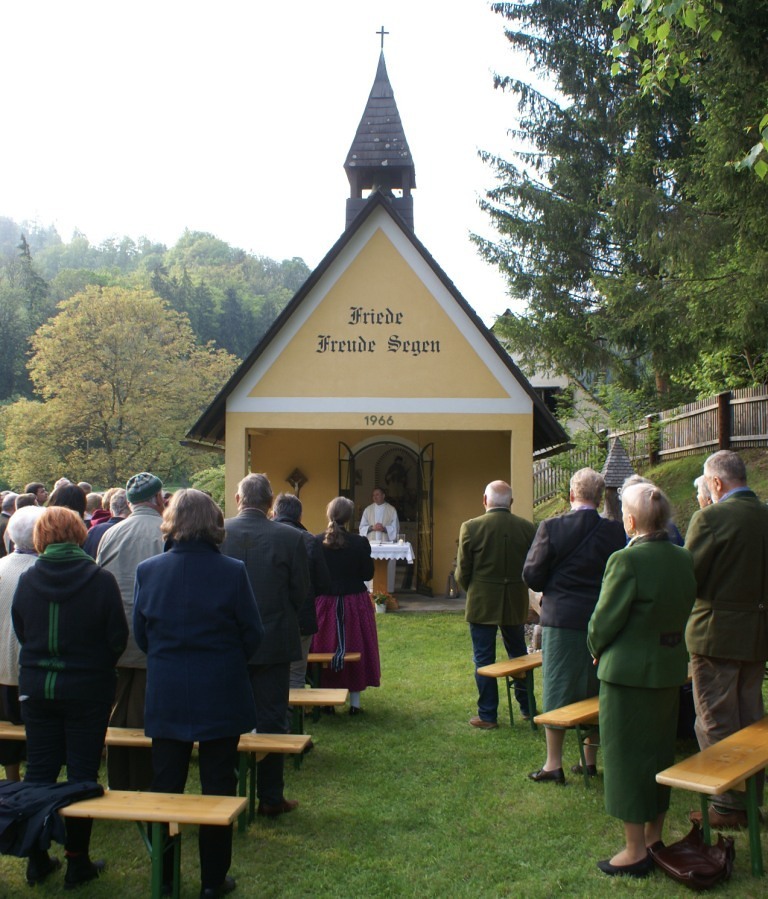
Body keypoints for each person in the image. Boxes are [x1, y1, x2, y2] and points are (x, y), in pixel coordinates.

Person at [134, 489, 263, 898]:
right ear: (214, 523)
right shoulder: (231, 571)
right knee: (218, 784)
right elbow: (252, 633)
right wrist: (225, 660)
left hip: (168, 688)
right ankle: (212, 879)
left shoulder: (149, 571)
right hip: (219, 687)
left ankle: (165, 876)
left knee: (166, 783)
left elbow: (142, 634)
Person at [11, 507, 127, 887]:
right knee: (82, 774)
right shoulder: (100, 580)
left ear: (41, 538)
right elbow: (116, 638)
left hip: (37, 688)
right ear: (79, 534)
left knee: (39, 772)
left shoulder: (28, 580)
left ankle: (36, 858)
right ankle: (77, 861)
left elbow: (23, 630)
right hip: (87, 690)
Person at [587, 482, 696, 878]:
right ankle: (654, 838)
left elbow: (604, 620)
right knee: (658, 753)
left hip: (627, 675)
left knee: (626, 759)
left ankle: (634, 851)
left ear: (630, 521)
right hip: (667, 670)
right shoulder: (683, 558)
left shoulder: (626, 560)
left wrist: (595, 646)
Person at [523, 468, 625, 783]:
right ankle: (589, 760)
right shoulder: (615, 532)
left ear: (571, 495)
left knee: (557, 685)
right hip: (601, 618)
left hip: (562, 618)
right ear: (600, 498)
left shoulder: (551, 527)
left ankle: (553, 763)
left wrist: (551, 584)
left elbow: (532, 575)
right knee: (595, 686)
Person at [685, 449, 768, 829]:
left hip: (715, 634)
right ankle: (750, 799)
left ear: (716, 483)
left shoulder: (711, 518)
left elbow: (689, 578)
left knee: (715, 718)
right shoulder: (764, 515)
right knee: (751, 718)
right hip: (757, 633)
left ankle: (726, 804)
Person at [221, 473, 308, 818]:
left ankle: (225, 791)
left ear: (238, 499)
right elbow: (300, 592)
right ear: (270, 503)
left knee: (227, 717)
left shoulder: (219, 532)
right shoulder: (290, 537)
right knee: (272, 718)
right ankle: (271, 796)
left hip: (229, 641)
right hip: (273, 639)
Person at [96, 471, 164, 791]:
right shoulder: (165, 531)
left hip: (116, 636)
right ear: (159, 498)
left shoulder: (111, 533)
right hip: (152, 637)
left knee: (119, 710)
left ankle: (119, 779)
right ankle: (140, 781)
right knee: (143, 714)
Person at [455, 480, 536, 729]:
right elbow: (533, 566)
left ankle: (488, 715)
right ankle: (528, 707)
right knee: (519, 656)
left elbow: (462, 571)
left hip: (482, 600)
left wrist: (474, 589)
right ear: (511, 502)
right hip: (515, 599)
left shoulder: (471, 527)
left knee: (483, 658)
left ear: (484, 500)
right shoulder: (527, 528)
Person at [312, 497, 380, 714]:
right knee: (355, 645)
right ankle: (355, 704)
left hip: (325, 603)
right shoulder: (359, 542)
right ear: (349, 517)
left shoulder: (317, 541)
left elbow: (314, 575)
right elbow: (367, 574)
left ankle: (327, 703)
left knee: (325, 646)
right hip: (354, 602)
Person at [0, 506, 45, 782]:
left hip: (3, 669)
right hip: (32, 668)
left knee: (8, 730)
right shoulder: (43, 572)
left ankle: (12, 779)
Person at [271, 493, 331, 693]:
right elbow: (323, 583)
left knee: (269, 671)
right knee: (296, 673)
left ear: (275, 512)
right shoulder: (309, 540)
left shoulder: (264, 535)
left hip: (269, 616)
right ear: (300, 516)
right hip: (301, 616)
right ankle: (293, 711)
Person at [359, 487, 399, 591]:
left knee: (386, 567)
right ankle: (371, 590)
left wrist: (384, 528)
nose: (375, 497)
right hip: (371, 544)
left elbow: (395, 528)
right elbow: (362, 528)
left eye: (377, 494)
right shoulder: (368, 510)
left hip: (386, 544)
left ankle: (386, 591)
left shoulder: (391, 510)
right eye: (373, 495)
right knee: (371, 565)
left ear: (383, 496)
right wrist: (372, 528)